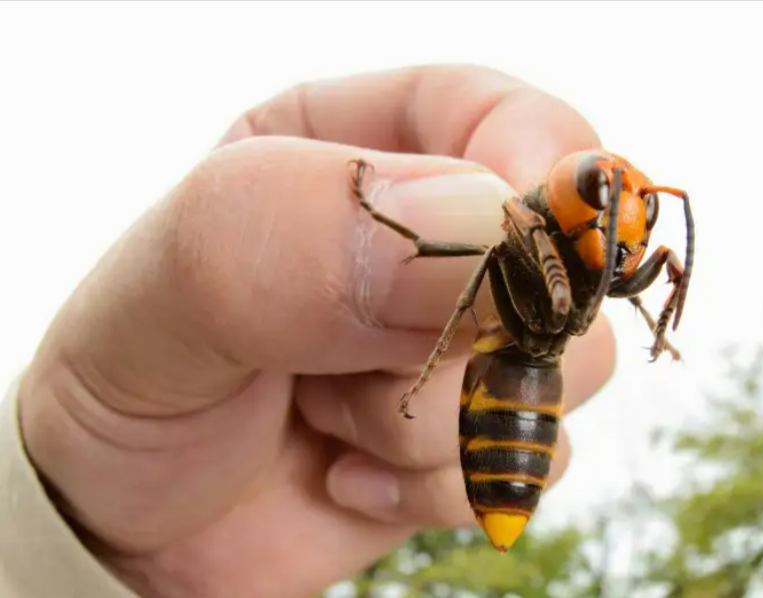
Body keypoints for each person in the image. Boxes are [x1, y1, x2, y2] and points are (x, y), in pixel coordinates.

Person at [0, 64, 616, 598]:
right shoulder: (520, 215)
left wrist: (96, 567)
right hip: (510, 392)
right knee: (485, 252)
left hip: (523, 388)